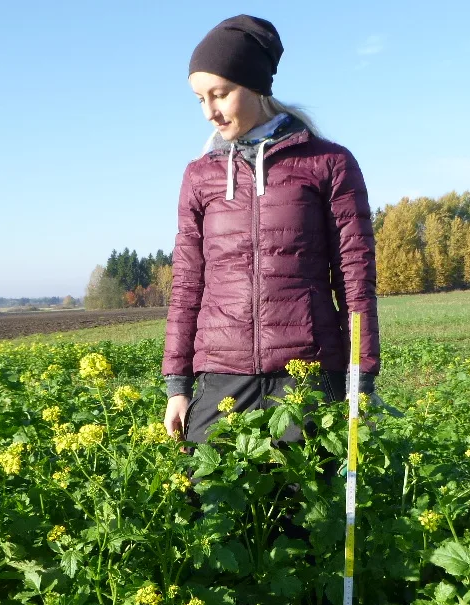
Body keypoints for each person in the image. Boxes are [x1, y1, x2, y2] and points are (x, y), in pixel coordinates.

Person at [162, 14, 380, 444]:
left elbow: (356, 279)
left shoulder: (329, 163)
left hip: (308, 374)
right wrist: (177, 385)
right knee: (212, 504)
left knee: (305, 508)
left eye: (220, 94)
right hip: (220, 377)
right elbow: (187, 283)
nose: (210, 112)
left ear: (256, 86)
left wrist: (360, 379)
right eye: (199, 99)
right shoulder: (199, 175)